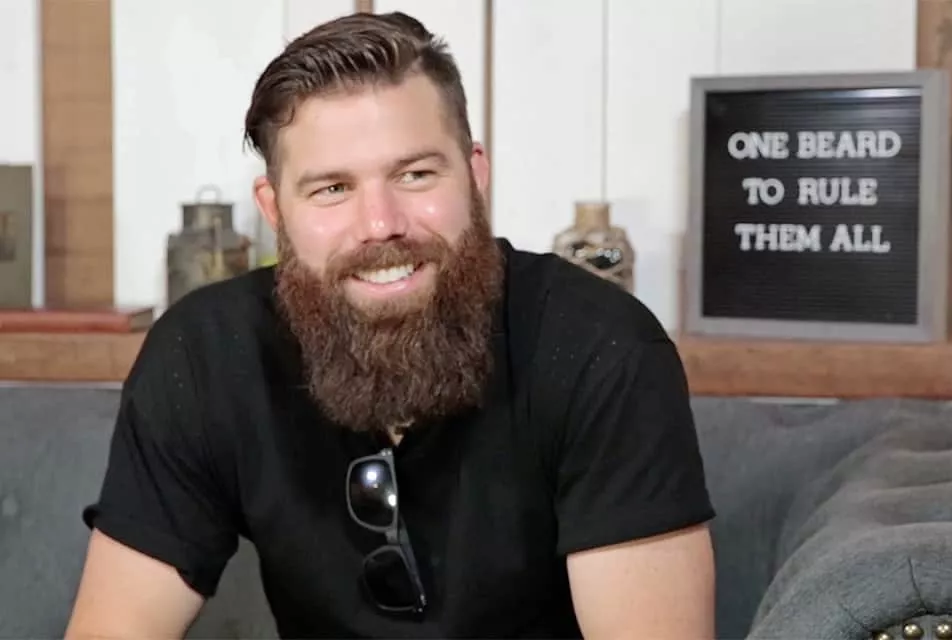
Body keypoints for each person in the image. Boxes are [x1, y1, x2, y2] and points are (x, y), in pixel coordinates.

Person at [65, 10, 716, 640]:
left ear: (475, 174)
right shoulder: (205, 354)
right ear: (275, 208)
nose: (381, 225)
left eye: (415, 174)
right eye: (331, 189)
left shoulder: (601, 347)